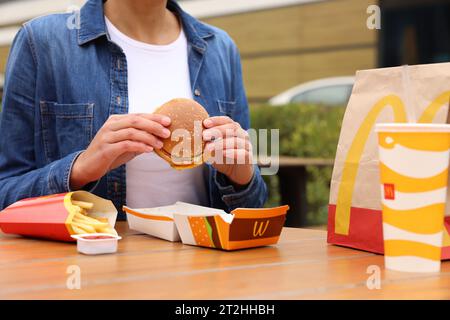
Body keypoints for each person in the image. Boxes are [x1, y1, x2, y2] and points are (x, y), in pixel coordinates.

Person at [0, 0, 267, 218]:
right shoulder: (43, 43)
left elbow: (252, 207)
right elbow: (5, 195)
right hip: (93, 271)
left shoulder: (220, 48)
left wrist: (242, 178)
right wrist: (80, 170)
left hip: (207, 272)